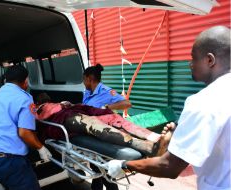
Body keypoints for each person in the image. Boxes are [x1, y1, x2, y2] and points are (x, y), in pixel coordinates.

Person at [104, 26, 231, 190]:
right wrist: (183, 129)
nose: (190, 63)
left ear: (209, 60)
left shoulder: (204, 101)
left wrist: (123, 165)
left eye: (193, 58)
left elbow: (169, 166)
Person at [0, 65, 52, 190]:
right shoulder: (24, 98)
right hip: (9, 162)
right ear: (26, 81)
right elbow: (24, 132)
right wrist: (41, 148)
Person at [32, 92, 164, 156]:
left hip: (73, 115)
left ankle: (153, 137)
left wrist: (68, 105)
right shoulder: (37, 111)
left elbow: (83, 107)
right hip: (64, 121)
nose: (45, 100)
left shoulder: (60, 104)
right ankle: (143, 145)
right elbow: (38, 125)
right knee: (91, 123)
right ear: (38, 102)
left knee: (112, 117)